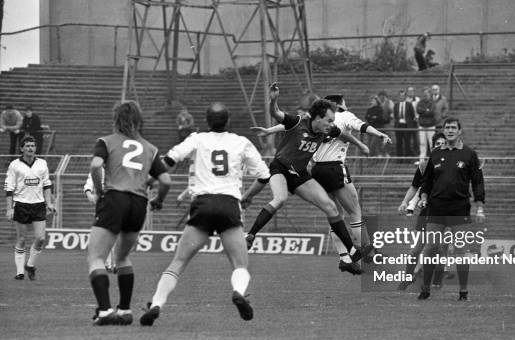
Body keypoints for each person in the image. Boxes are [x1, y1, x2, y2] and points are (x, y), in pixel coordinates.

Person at [140, 102, 270, 326]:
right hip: (229, 205)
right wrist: (247, 196)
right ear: (227, 122)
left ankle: (157, 304)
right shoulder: (241, 142)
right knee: (240, 265)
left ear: (206, 122)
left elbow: (169, 161)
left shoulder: (196, 139)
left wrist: (150, 182)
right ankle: (238, 292)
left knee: (178, 262)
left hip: (202, 204)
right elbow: (264, 175)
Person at [242, 83, 364, 275]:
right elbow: (276, 113)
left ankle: (352, 251)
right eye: (329, 120)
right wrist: (273, 99)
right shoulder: (297, 122)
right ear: (317, 118)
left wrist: (361, 145)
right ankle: (250, 235)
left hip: (300, 174)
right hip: (280, 168)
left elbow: (344, 135)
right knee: (280, 199)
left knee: (330, 208)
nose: (332, 124)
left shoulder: (327, 130)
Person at [87, 100, 171, 326]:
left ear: (116, 119)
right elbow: (165, 180)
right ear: (138, 120)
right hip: (138, 203)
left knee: (96, 257)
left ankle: (104, 311)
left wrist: (98, 189)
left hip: (115, 198)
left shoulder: (107, 141)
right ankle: (124, 310)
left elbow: (96, 165)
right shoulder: (150, 148)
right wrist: (159, 200)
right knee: (123, 256)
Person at [312, 94, 390, 263]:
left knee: (335, 215)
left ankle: (344, 257)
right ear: (339, 105)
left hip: (317, 170)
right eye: (344, 102)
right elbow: (362, 126)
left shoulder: (318, 120)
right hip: (334, 167)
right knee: (355, 212)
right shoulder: (344, 115)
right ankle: (369, 254)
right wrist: (379, 134)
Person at [418, 117, 486, 301]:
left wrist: (479, 206)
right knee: (431, 247)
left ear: (459, 131)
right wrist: (423, 196)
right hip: (437, 208)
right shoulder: (435, 154)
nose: (449, 130)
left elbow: (478, 182)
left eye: (453, 127)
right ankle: (425, 289)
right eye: (447, 127)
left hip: (459, 209)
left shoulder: (469, 154)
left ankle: (463, 291)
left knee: (461, 249)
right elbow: (426, 181)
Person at [397, 132, 446, 291]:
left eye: (443, 144)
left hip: (445, 211)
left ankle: (437, 281)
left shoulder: (452, 165)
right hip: (427, 211)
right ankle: (408, 278)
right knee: (417, 249)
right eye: (437, 144)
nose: (440, 146)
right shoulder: (424, 165)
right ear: (433, 146)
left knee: (440, 248)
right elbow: (414, 186)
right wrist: (405, 202)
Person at [5, 136, 55, 281]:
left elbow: (46, 185)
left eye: (32, 146)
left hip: (38, 205)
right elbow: (9, 188)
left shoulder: (42, 164)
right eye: (27, 146)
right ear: (21, 149)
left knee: (40, 238)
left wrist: (49, 203)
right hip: (21, 204)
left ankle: (30, 265)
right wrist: (9, 208)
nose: (31, 148)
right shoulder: (15, 165)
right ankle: (20, 272)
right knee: (21, 239)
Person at [83, 172, 116, 272]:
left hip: (117, 203)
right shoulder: (97, 169)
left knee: (115, 233)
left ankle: (113, 264)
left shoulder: (118, 166)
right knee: (104, 234)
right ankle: (107, 264)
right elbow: (88, 185)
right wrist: (90, 195)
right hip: (101, 206)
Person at [393, 89, 418, 157]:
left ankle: (407, 157)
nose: (401, 97)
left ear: (405, 96)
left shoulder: (409, 105)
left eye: (403, 96)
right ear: (398, 96)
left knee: (407, 142)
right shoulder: (396, 105)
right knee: (399, 142)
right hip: (398, 126)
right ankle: (399, 158)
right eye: (400, 96)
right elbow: (395, 115)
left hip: (407, 126)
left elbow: (412, 115)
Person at [416, 88, 436, 159]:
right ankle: (422, 158)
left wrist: (424, 111)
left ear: (429, 94)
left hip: (431, 126)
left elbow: (432, 112)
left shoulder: (432, 102)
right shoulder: (420, 102)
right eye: (424, 94)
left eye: (426, 94)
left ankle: (433, 158)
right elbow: (418, 110)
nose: (425, 95)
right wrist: (426, 110)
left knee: (432, 142)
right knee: (422, 143)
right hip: (422, 126)